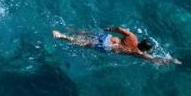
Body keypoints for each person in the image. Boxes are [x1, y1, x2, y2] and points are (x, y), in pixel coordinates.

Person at [51, 27, 180, 65]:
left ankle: (70, 29)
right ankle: (62, 36)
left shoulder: (133, 37)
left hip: (108, 38)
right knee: (83, 44)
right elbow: (154, 59)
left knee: (88, 33)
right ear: (145, 49)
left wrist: (109, 29)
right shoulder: (137, 53)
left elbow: (119, 28)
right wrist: (171, 60)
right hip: (107, 48)